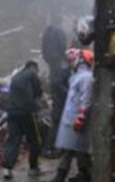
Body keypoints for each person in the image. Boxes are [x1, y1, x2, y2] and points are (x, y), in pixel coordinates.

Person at [43, 48, 94, 182]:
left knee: (78, 150)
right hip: (71, 119)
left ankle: (83, 177)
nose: (70, 62)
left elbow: (86, 99)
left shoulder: (86, 77)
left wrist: (81, 117)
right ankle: (65, 177)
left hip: (77, 120)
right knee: (72, 149)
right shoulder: (77, 76)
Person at [2, 61, 42, 180]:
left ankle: (7, 168)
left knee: (13, 140)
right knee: (34, 140)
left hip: (12, 112)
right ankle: (33, 168)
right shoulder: (32, 74)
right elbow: (37, 91)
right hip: (27, 112)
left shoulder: (16, 76)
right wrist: (37, 104)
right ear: (34, 67)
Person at [41, 22, 68, 157]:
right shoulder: (58, 31)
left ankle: (51, 148)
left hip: (52, 64)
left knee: (56, 123)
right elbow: (63, 47)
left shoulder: (47, 33)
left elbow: (44, 51)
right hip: (59, 103)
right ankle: (52, 148)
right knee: (57, 124)